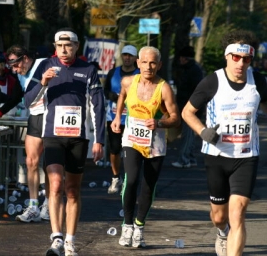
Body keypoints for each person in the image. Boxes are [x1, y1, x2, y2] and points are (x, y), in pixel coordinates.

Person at [182, 30, 267, 256]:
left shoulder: (258, 81)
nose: (240, 63)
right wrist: (203, 132)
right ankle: (221, 233)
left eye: (246, 59)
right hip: (217, 156)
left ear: (251, 59)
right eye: (235, 57)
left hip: (246, 156)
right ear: (227, 56)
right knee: (220, 216)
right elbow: (187, 112)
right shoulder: (212, 81)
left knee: (237, 212)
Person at [25, 28, 105, 256]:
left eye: (68, 46)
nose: (64, 50)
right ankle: (56, 238)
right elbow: (29, 101)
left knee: (72, 190)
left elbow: (98, 106)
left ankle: (70, 240)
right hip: (52, 136)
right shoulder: (45, 65)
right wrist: (42, 82)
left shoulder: (88, 70)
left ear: (76, 46)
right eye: (60, 46)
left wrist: (100, 140)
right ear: (55, 46)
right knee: (56, 184)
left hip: (78, 138)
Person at [110, 46, 180, 248]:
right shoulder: (127, 81)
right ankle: (127, 225)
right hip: (132, 138)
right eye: (144, 62)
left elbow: (175, 118)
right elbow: (122, 96)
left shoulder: (164, 88)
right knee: (130, 180)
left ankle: (139, 226)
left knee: (148, 185)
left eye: (153, 63)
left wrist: (159, 123)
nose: (148, 67)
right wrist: (117, 117)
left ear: (159, 65)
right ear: (138, 63)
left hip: (155, 142)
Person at [0, 45, 50, 222]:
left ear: (26, 58)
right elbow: (15, 97)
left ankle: (49, 203)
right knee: (31, 160)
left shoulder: (44, 64)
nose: (14, 70)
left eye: (16, 65)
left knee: (50, 164)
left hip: (52, 116)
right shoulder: (20, 75)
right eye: (11, 66)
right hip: (36, 116)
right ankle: (33, 206)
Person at [104, 45, 140, 194]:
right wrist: (114, 96)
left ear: (135, 58)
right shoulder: (113, 72)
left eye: (130, 56)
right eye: (125, 55)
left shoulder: (140, 73)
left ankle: (129, 179)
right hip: (114, 117)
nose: (127, 58)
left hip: (134, 118)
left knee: (132, 150)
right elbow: (105, 90)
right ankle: (115, 177)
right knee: (114, 149)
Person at [171, 46, 204, 168]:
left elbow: (191, 90)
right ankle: (190, 158)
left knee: (187, 134)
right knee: (189, 134)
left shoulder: (190, 71)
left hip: (189, 106)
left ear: (184, 58)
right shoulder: (194, 70)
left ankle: (184, 159)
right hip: (192, 106)